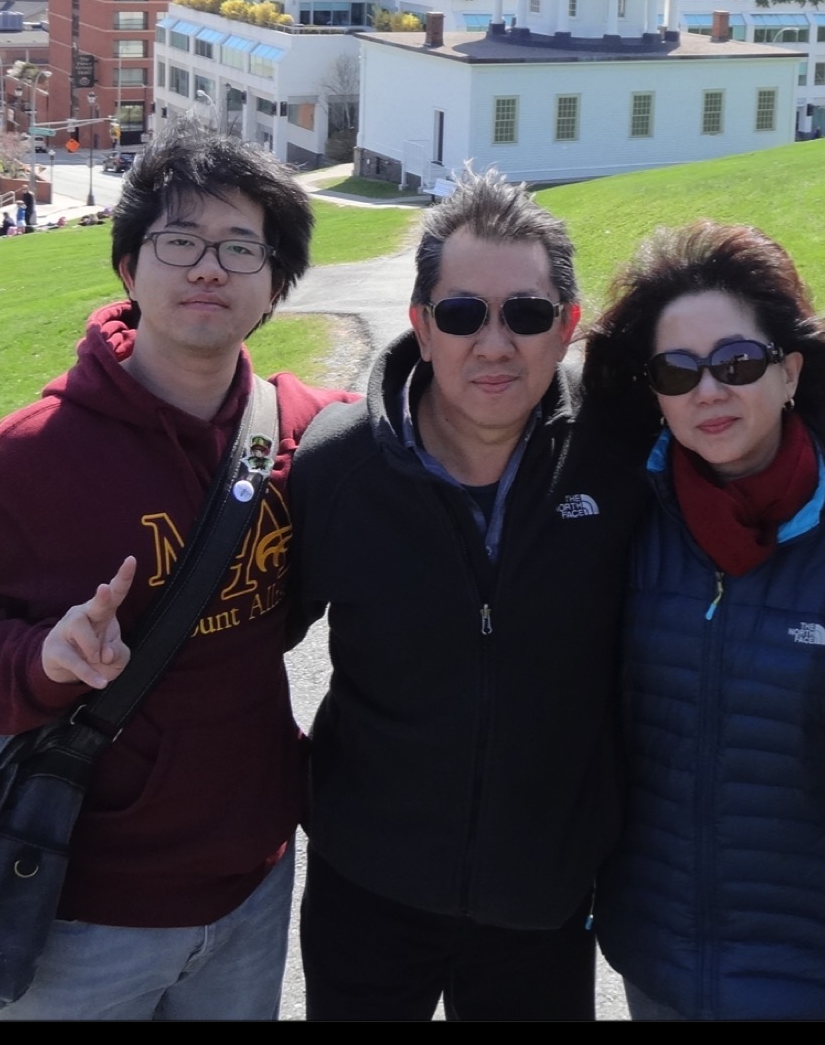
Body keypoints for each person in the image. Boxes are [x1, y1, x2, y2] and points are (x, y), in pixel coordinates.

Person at [0, 123, 352, 1020]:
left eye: (241, 248)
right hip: (79, 905)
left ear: (274, 288)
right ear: (131, 269)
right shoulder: (31, 457)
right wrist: (40, 660)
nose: (208, 268)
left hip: (251, 882)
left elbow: (431, 430)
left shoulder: (304, 432)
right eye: (180, 241)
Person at [287, 168, 649, 1022]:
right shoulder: (340, 465)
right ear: (420, 324)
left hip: (543, 902)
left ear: (567, 326)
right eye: (461, 314)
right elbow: (243, 640)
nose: (494, 344)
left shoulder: (622, 459)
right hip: (365, 888)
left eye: (525, 314)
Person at [577, 222, 825, 1022]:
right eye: (678, 370)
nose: (709, 392)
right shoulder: (629, 518)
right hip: (656, 957)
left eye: (737, 364)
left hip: (816, 971)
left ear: (791, 370)